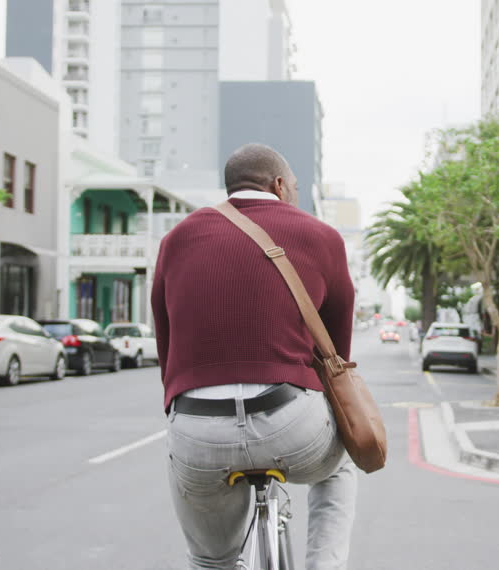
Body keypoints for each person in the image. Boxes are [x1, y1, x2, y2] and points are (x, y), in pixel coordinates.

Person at [151, 143, 357, 570]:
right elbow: (338, 352)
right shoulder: (321, 236)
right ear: (279, 185)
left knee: (212, 561)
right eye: (294, 186)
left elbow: (166, 343)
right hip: (291, 423)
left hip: (198, 427)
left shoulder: (176, 239)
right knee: (339, 466)